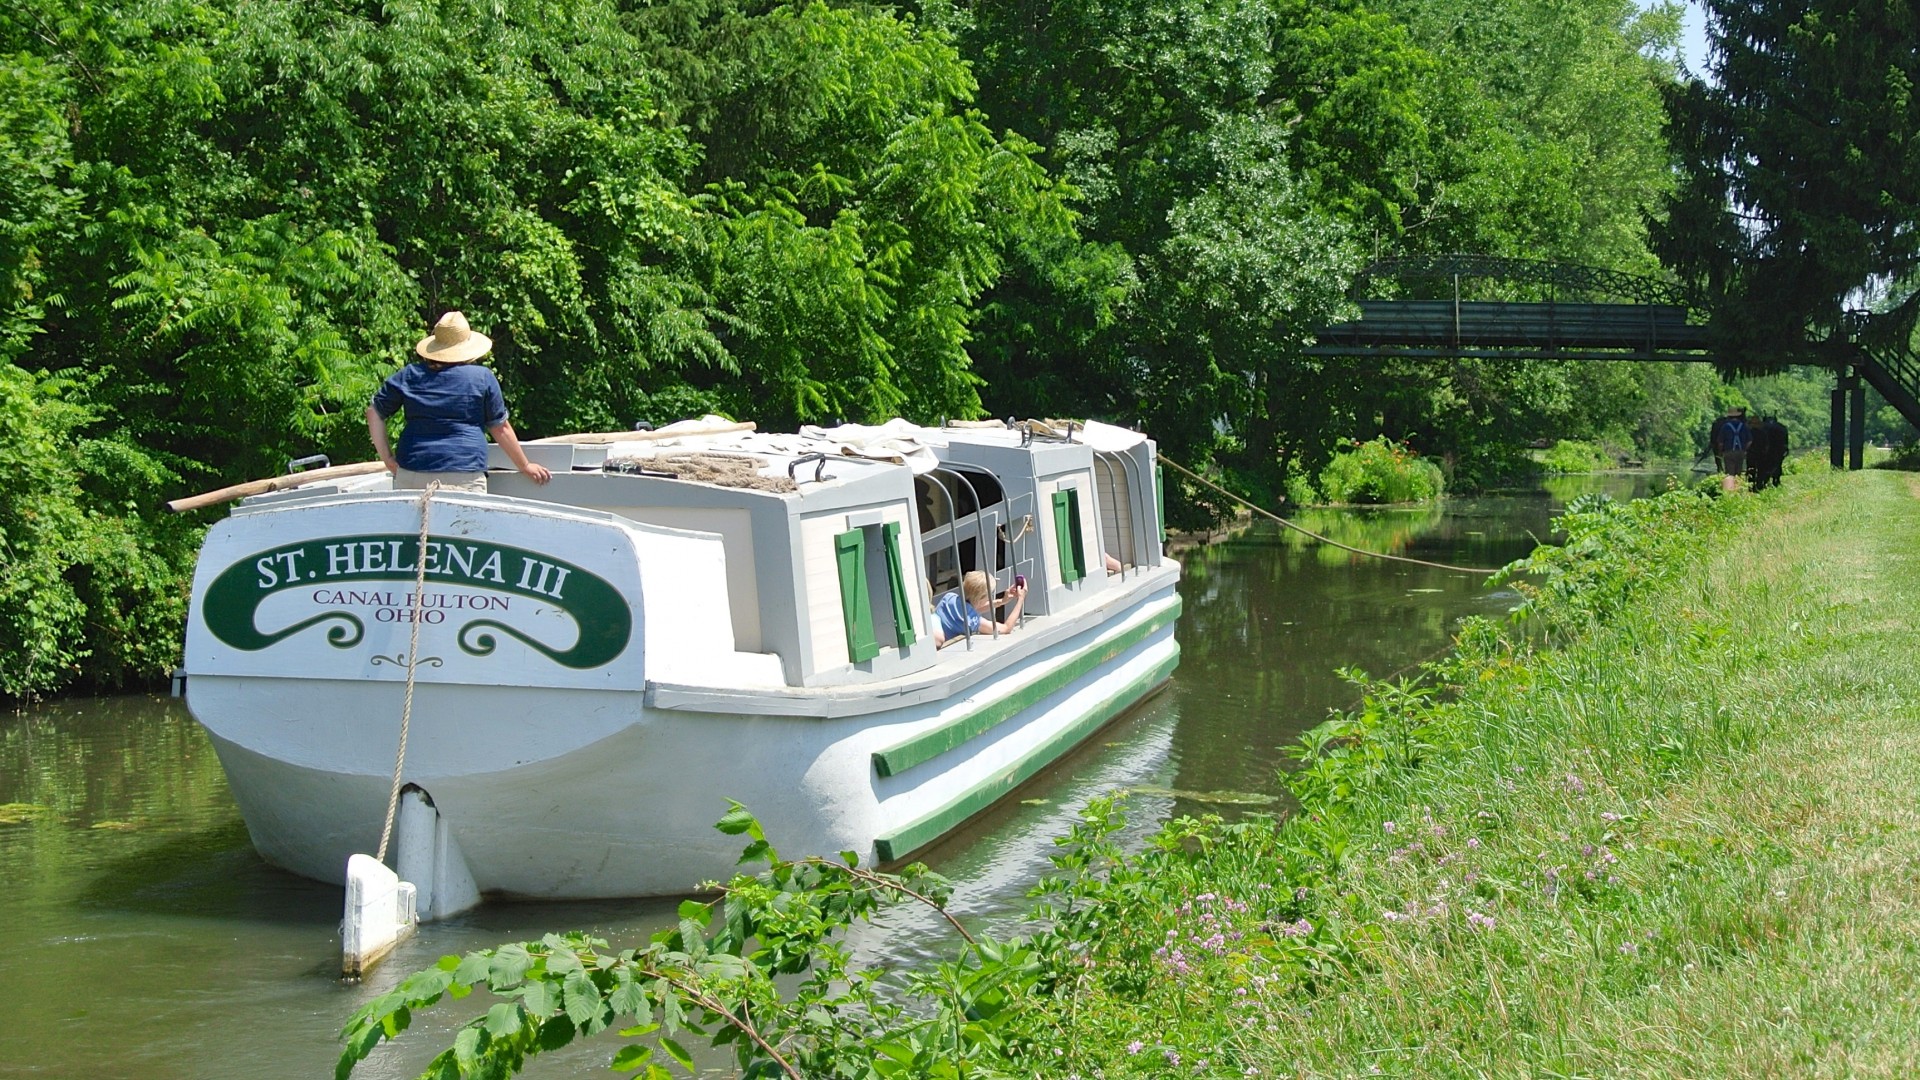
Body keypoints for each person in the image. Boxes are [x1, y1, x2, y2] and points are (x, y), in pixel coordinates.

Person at [366, 311, 551, 492]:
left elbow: (374, 412)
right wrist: (524, 465)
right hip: (465, 473)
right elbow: (500, 428)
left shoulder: (410, 375)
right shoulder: (482, 377)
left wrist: (388, 459)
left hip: (412, 469)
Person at [932, 570, 1026, 647]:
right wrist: (1021, 599)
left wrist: (1001, 601)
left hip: (930, 631)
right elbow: (1006, 628)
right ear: (981, 597)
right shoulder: (973, 622)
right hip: (936, 644)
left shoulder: (948, 598)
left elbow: (972, 608)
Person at [1707, 405, 1750, 491]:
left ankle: (1730, 493)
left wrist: (1719, 452)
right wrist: (1745, 450)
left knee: (1730, 474)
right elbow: (1750, 440)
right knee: (1738, 473)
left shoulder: (1725, 426)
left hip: (1728, 452)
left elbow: (1720, 442)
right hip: (1740, 452)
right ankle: (1738, 490)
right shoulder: (1744, 426)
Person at [1749, 414, 1788, 489]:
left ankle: (1758, 482)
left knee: (1761, 466)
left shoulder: (1761, 428)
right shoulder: (1782, 428)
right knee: (1778, 464)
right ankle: (1776, 480)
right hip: (1778, 449)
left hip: (1762, 450)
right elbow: (1785, 443)